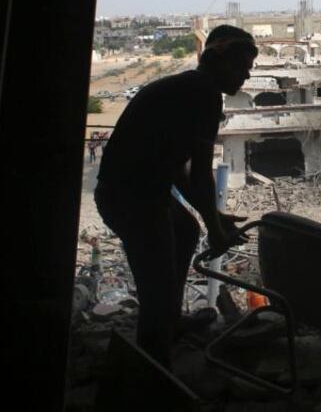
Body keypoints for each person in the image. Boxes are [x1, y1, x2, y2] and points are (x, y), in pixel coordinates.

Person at [94, 24, 258, 367]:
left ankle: (171, 322)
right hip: (132, 200)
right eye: (240, 66)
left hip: (140, 192)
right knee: (156, 285)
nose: (245, 75)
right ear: (216, 59)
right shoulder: (205, 96)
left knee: (185, 230)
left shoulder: (190, 88)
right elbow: (199, 173)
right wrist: (215, 226)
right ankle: (154, 368)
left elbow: (179, 172)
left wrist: (210, 217)